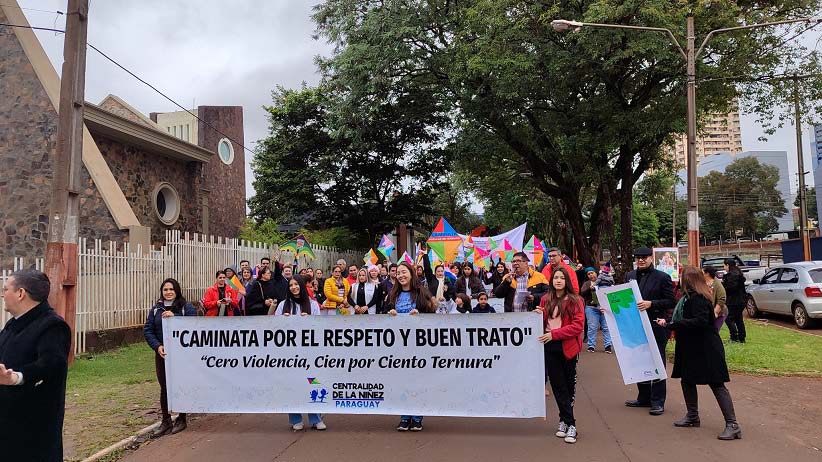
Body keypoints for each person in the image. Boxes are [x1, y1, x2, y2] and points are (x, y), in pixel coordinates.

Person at [655, 266, 741, 440]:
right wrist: (669, 321)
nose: (679, 279)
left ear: (688, 280)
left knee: (717, 384)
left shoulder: (699, 298)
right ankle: (692, 416)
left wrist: (673, 325)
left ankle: (733, 425)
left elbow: (700, 321)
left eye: (681, 277)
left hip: (706, 348)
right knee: (687, 380)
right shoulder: (687, 298)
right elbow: (684, 317)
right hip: (691, 347)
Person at [0, 270, 71, 461]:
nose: (2, 294)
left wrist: (15, 377)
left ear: (21, 293)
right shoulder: (13, 324)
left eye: (5, 289)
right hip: (7, 423)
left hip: (33, 427)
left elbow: (51, 366)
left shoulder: (52, 326)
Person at [535, 266, 585, 444]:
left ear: (567, 281)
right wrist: (536, 316)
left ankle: (567, 422)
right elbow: (541, 325)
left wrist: (554, 334)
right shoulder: (544, 299)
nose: (558, 280)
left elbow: (578, 327)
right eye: (555, 277)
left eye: (561, 278)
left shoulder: (575, 300)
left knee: (568, 387)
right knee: (557, 386)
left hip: (568, 347)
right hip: (549, 347)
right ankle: (568, 422)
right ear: (551, 280)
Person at [383, 262, 435, 431]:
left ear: (412, 274)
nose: (401, 275)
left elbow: (433, 315)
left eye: (404, 272)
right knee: (401, 382)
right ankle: (404, 416)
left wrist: (420, 315)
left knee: (418, 382)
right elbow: (384, 318)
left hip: (418, 348)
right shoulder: (393, 295)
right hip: (399, 348)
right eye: (398, 273)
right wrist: (390, 314)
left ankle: (417, 417)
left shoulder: (421, 293)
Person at [625, 247, 676, 416]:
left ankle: (658, 401)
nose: (640, 260)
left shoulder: (662, 277)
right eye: (637, 257)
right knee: (639, 360)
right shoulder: (630, 275)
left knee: (657, 362)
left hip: (655, 325)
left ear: (651, 258)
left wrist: (651, 304)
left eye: (644, 257)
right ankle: (644, 398)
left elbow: (670, 301)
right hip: (635, 326)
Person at [144, 278, 196, 436]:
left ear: (177, 290)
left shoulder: (186, 307)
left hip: (182, 355)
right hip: (162, 355)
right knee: (164, 386)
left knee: (180, 384)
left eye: (171, 289)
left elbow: (194, 325)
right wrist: (157, 346)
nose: (168, 292)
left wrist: (175, 318)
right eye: (165, 289)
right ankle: (166, 420)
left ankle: (181, 418)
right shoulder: (156, 309)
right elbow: (148, 330)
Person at [273, 276, 326, 431]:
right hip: (289, 354)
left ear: (302, 286)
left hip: (309, 353)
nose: (294, 287)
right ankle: (295, 418)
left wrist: (310, 320)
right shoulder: (283, 305)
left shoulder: (312, 304)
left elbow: (321, 327)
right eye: (291, 285)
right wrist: (283, 321)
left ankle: (316, 418)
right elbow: (274, 328)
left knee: (313, 382)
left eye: (296, 284)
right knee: (292, 384)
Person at [581, 267, 612, 353]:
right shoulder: (587, 283)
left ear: (596, 273)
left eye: (592, 273)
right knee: (592, 327)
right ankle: (591, 345)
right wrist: (589, 289)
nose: (591, 275)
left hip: (604, 307)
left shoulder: (604, 281)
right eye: (589, 274)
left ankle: (608, 345)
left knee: (606, 327)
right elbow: (582, 293)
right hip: (591, 308)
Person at [722, 259, 747, 343]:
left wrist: (723, 285)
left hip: (734, 300)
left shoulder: (732, 276)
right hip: (740, 300)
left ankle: (734, 336)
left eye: (724, 265)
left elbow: (731, 288)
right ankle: (741, 337)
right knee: (738, 318)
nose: (724, 267)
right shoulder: (738, 273)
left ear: (728, 265)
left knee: (729, 318)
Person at [702, 266, 727, 332]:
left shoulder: (717, 284)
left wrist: (715, 312)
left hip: (718, 313)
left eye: (702, 272)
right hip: (706, 313)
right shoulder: (702, 283)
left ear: (707, 274)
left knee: (714, 332)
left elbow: (722, 298)